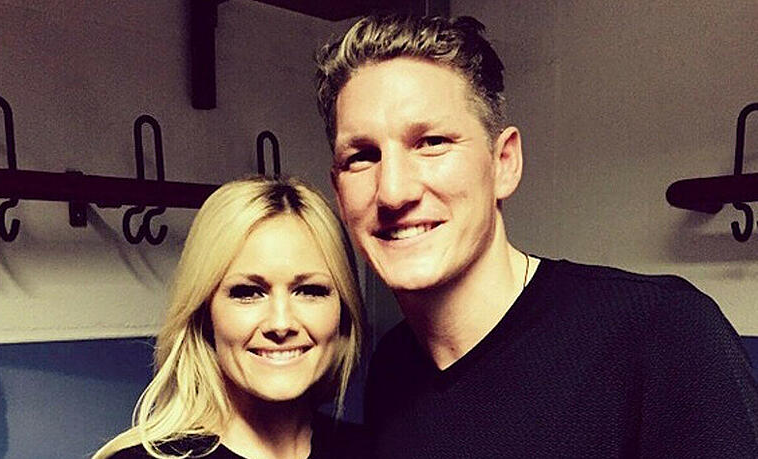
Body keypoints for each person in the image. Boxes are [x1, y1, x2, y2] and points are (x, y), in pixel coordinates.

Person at [315, 14, 758, 458]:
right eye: (362, 156)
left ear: (504, 163)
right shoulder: (392, 367)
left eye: (432, 142)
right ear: (338, 190)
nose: (393, 192)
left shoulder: (664, 332)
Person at [93, 175, 367, 459]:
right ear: (205, 312)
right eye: (248, 293)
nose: (281, 323)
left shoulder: (373, 449)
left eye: (309, 291)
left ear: (343, 309)